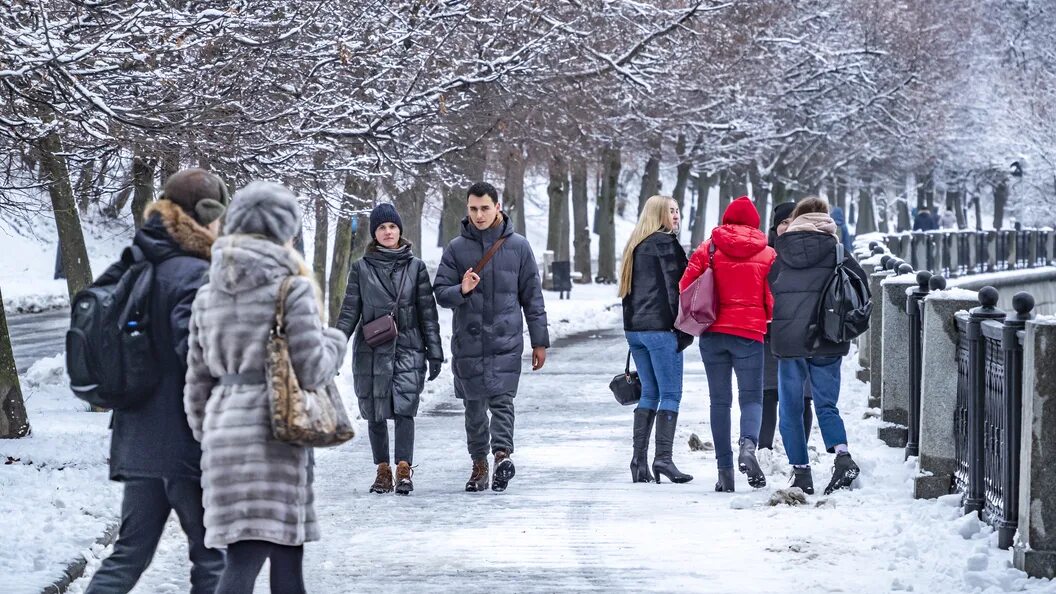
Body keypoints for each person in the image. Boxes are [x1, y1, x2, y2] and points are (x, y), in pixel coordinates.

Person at [184, 181, 348, 594]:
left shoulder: (207, 294)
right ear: (284, 232)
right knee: (249, 554)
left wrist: (210, 431)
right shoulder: (290, 288)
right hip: (272, 430)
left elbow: (197, 381)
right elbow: (312, 370)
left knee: (284, 555)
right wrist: (335, 342)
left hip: (225, 430)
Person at [85, 169, 227, 594]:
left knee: (128, 555)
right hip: (186, 444)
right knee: (214, 558)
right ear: (204, 214)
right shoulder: (195, 273)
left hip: (138, 440)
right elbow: (199, 356)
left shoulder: (135, 262)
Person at [433, 181, 549, 493]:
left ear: (497, 207)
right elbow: (440, 292)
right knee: (473, 409)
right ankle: (478, 464)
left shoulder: (519, 247)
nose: (479, 214)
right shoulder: (456, 248)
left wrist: (540, 342)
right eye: (473, 209)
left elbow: (533, 298)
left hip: (505, 340)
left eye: (485, 208)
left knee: (502, 402)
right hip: (469, 342)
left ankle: (501, 456)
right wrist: (461, 289)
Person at [335, 203, 444, 496]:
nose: (387, 232)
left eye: (392, 227)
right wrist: (334, 348)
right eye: (382, 227)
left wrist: (435, 352)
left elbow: (428, 314)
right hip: (371, 349)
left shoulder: (416, 267)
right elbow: (348, 313)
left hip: (409, 347)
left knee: (405, 410)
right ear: (374, 233)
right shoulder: (361, 268)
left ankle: (404, 470)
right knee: (375, 412)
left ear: (400, 231)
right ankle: (382, 471)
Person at [769, 196, 869, 496]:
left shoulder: (781, 249)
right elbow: (860, 286)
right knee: (826, 404)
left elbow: (772, 285)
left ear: (797, 217)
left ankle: (801, 472)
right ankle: (842, 456)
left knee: (790, 408)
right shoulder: (837, 250)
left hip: (789, 339)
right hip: (827, 335)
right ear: (826, 218)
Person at [680, 196, 775, 492]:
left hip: (712, 333)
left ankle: (725, 472)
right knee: (752, 398)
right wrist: (763, 318)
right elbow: (772, 299)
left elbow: (685, 286)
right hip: (749, 334)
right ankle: (748, 445)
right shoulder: (768, 254)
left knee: (719, 402)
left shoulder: (707, 248)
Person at [620, 194, 693, 484]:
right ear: (657, 215)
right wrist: (684, 330)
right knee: (671, 394)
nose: (676, 216)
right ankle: (663, 458)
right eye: (670, 211)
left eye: (677, 211)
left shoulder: (634, 245)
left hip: (635, 329)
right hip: (661, 329)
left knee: (650, 392)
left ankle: (639, 462)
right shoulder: (665, 244)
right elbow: (678, 289)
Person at [757, 202, 813, 465]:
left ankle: (799, 451)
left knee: (802, 396)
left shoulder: (810, 251)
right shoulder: (765, 254)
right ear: (775, 227)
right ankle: (763, 449)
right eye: (783, 222)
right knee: (768, 393)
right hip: (770, 332)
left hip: (802, 335)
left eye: (794, 221)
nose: (789, 227)